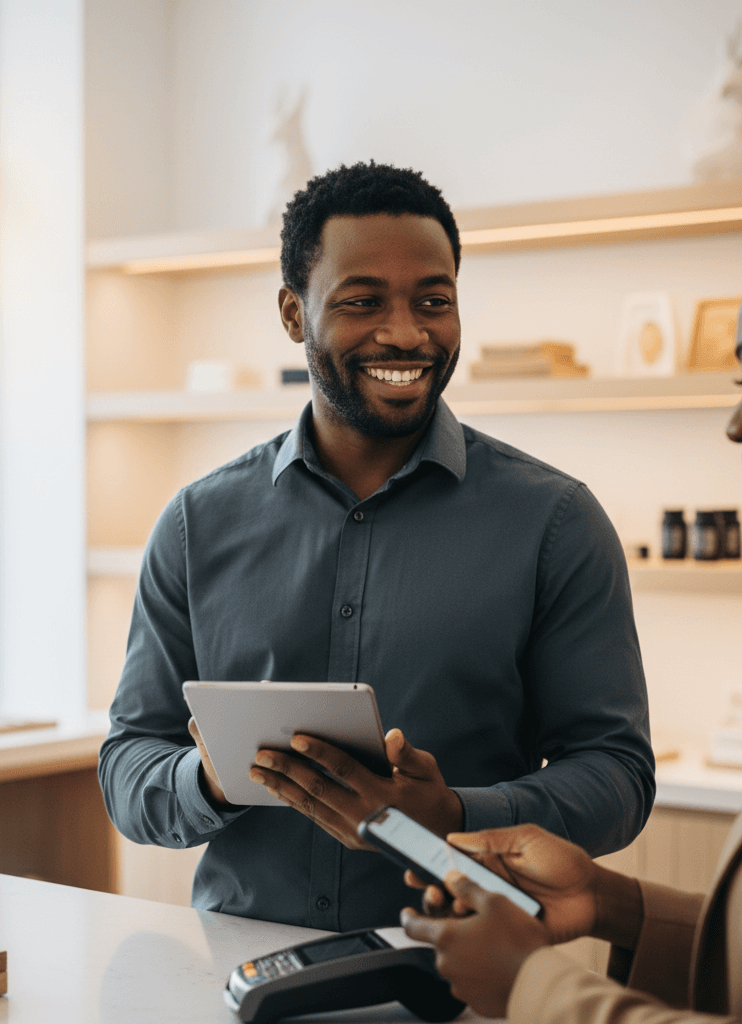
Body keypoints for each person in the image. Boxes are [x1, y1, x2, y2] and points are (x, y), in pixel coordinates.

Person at [98, 161, 655, 932]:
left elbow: (619, 776)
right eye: (363, 302)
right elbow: (128, 766)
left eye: (434, 301)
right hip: (240, 975)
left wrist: (455, 812)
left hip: (465, 981)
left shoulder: (556, 524)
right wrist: (217, 779)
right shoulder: (197, 524)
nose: (405, 332)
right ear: (294, 313)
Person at [399, 201, 742, 1022]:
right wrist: (609, 901)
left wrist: (532, 984)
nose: (738, 422)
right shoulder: (201, 520)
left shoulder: (553, 518)